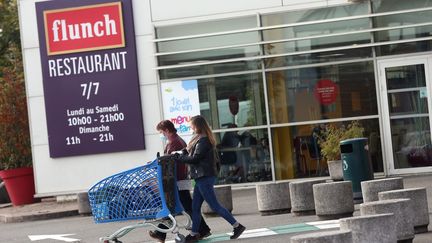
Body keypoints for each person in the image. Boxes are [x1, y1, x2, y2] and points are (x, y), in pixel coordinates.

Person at [175, 115, 246, 242]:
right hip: (200, 177)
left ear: (197, 126)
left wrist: (179, 159)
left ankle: (237, 226)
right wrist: (179, 154)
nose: (190, 127)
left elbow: (196, 158)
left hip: (205, 177)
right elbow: (187, 151)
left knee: (214, 205)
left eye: (192, 125)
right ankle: (194, 234)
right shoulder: (198, 139)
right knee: (195, 207)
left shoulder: (204, 141)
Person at [149, 120, 211, 242]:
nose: (162, 134)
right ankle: (161, 233)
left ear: (167, 130)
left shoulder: (174, 143)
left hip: (177, 179)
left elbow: (170, 161)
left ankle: (202, 229)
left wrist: (157, 164)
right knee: (179, 206)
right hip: (180, 179)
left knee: (178, 205)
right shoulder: (176, 141)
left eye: (161, 132)